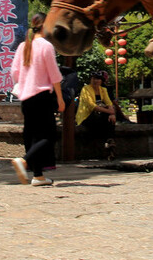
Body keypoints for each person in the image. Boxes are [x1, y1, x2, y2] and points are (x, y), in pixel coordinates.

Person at [10, 13, 64, 186]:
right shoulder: (46, 46)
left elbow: (15, 73)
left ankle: (38, 175)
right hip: (42, 96)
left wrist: (25, 84)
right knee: (49, 135)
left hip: (26, 98)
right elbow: (54, 75)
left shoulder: (23, 46)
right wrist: (61, 99)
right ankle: (24, 161)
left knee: (32, 136)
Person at [76, 71, 117, 157]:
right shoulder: (85, 89)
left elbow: (109, 103)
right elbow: (91, 106)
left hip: (100, 115)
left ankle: (110, 140)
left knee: (109, 118)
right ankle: (108, 140)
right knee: (104, 117)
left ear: (101, 81)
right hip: (87, 116)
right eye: (94, 78)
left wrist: (112, 113)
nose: (96, 81)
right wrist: (110, 112)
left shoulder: (103, 90)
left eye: (98, 79)